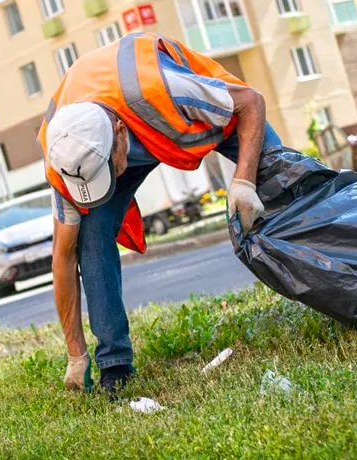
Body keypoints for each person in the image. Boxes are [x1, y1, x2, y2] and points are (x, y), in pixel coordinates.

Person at [39, 32, 280, 395]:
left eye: (107, 170)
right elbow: (62, 256)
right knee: (90, 236)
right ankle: (114, 365)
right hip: (109, 137)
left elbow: (251, 103)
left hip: (166, 115)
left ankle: (331, 263)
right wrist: (75, 353)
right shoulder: (65, 156)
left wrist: (243, 181)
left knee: (278, 175)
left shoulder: (162, 90)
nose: (107, 182)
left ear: (120, 134)